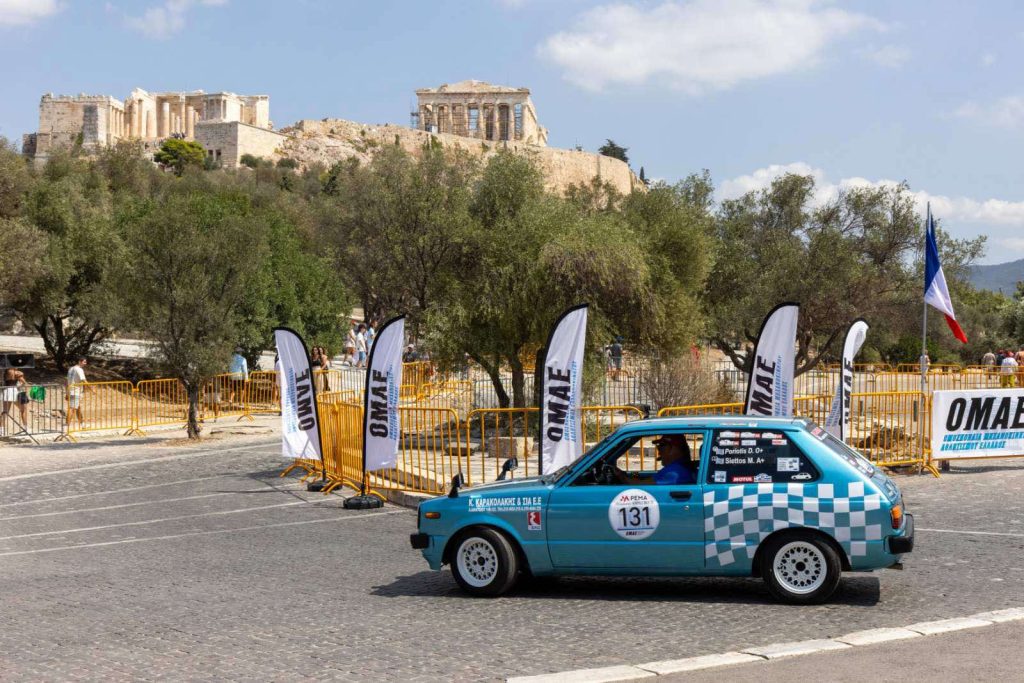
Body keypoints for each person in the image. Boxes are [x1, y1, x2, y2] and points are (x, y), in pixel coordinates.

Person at [66, 357, 88, 431]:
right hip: (75, 392)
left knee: (78, 408)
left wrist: (67, 393)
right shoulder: (79, 369)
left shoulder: (71, 369)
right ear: (79, 361)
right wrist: (91, 388)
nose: (85, 363)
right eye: (84, 362)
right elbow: (84, 380)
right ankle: (66, 427)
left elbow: (68, 381)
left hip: (71, 391)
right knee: (72, 409)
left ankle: (82, 424)